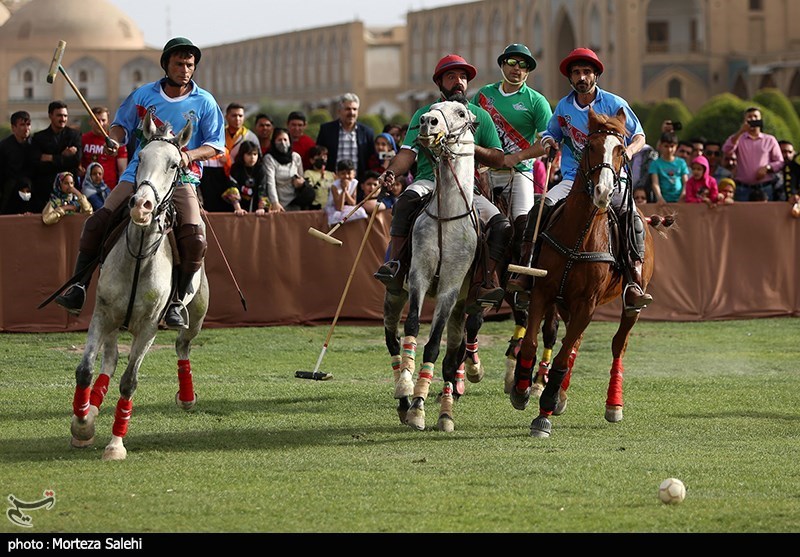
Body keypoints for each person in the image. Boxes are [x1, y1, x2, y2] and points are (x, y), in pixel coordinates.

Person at [54, 37, 225, 330]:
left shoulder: (204, 101)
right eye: (179, 64)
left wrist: (189, 155)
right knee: (98, 221)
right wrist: (114, 140)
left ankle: (176, 302)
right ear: (166, 65)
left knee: (195, 237)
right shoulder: (143, 95)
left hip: (179, 178)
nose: (185, 70)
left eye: (189, 64)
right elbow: (121, 125)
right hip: (138, 173)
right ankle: (79, 286)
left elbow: (215, 144)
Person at [505, 47, 651, 315]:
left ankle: (634, 280)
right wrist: (549, 142)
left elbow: (639, 136)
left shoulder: (614, 103)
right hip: (573, 179)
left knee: (632, 218)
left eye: (586, 72)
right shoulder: (563, 106)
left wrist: (628, 151)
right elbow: (551, 133)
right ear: (570, 78)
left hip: (612, 178)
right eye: (576, 73)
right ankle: (527, 271)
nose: (581, 77)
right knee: (541, 207)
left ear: (596, 75)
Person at [373, 54, 509, 309]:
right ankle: (397, 267)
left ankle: (487, 280)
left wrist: (469, 146)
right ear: (439, 83)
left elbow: (499, 159)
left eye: (463, 77)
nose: (458, 81)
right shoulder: (424, 115)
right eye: (451, 76)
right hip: (429, 181)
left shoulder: (479, 116)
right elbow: (407, 153)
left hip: (468, 188)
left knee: (501, 225)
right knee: (404, 202)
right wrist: (391, 172)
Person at [472, 43, 553, 273]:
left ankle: (521, 279)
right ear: (502, 65)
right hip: (482, 173)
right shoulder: (483, 95)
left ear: (528, 71)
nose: (517, 68)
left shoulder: (536, 101)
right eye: (511, 63)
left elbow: (548, 141)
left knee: (522, 224)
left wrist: (516, 156)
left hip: (519, 174)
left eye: (523, 65)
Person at [200, 102, 258, 212]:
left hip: (241, 181)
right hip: (214, 182)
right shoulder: (219, 135)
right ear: (226, 117)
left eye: (240, 116)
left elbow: (258, 161)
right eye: (234, 115)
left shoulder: (251, 137)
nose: (237, 119)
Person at [30, 101, 82, 213]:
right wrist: (63, 157)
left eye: (65, 116)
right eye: (59, 115)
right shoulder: (39, 138)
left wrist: (50, 158)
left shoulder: (74, 135)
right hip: (45, 192)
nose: (63, 119)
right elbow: (37, 165)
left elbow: (75, 160)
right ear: (50, 115)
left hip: (70, 194)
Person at [723, 107, 783, 202]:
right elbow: (727, 150)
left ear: (760, 119)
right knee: (742, 216)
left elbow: (780, 162)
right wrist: (740, 132)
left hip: (764, 188)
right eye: (749, 117)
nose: (753, 119)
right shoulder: (739, 139)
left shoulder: (769, 140)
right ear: (745, 120)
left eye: (756, 116)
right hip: (743, 189)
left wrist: (768, 168)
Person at [316, 93, 376, 182]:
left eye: (354, 109)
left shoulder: (367, 133)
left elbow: (371, 159)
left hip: (358, 185)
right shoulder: (327, 130)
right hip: (331, 183)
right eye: (348, 109)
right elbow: (319, 155)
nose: (351, 113)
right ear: (339, 111)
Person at [80, 106, 127, 190]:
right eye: (97, 120)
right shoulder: (82, 139)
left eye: (103, 120)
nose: (100, 124)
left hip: (109, 190)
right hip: (87, 189)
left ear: (108, 121)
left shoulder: (116, 142)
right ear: (90, 121)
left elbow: (122, 170)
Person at [264, 127, 308, 212]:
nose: (283, 143)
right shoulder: (269, 158)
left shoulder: (295, 157)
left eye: (285, 140)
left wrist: (300, 183)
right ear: (274, 142)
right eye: (279, 140)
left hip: (295, 203)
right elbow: (270, 183)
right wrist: (275, 202)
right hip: (278, 205)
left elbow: (301, 177)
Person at [0, 111, 34, 214]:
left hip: (32, 191)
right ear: (13, 127)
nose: (26, 128)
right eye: (22, 125)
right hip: (10, 192)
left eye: (28, 124)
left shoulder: (35, 145)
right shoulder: (4, 147)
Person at [225, 140, 267, 215]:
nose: (252, 157)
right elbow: (233, 188)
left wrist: (261, 208)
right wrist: (238, 209)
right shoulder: (236, 168)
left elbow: (262, 189)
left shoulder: (261, 168)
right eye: (249, 154)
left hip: (256, 206)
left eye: (255, 154)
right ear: (242, 154)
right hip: (236, 207)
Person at [649, 131, 689, 204]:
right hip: (663, 201)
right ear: (661, 146)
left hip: (680, 200)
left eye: (672, 146)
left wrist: (682, 196)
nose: (669, 150)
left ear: (676, 146)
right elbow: (655, 183)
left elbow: (686, 182)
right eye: (666, 146)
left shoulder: (681, 163)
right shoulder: (655, 164)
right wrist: (659, 198)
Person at [324, 159, 366, 226]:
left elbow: (353, 203)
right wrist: (344, 190)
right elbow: (339, 207)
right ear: (337, 174)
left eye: (349, 173)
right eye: (343, 173)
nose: (346, 176)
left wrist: (346, 191)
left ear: (354, 174)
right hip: (333, 208)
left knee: (360, 211)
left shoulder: (354, 182)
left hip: (345, 206)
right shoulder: (334, 186)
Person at [303, 145, 335, 210]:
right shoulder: (308, 173)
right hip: (316, 208)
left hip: (331, 208)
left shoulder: (331, 174)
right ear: (312, 160)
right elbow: (310, 190)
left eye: (325, 156)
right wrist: (321, 178)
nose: (323, 158)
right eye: (319, 157)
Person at [777, 139, 800, 204]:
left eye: (790, 152)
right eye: (783, 152)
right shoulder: (770, 171)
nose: (787, 155)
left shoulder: (796, 168)